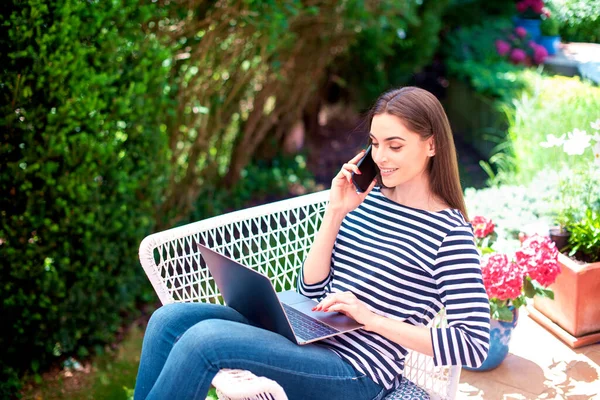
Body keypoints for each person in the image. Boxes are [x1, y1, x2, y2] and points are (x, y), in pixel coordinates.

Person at [134, 86, 491, 400]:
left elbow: (473, 345)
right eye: (375, 143)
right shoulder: (369, 199)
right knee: (170, 318)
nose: (380, 157)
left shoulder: (449, 235)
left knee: (205, 342)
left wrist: (371, 318)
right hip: (308, 335)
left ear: (432, 145)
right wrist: (335, 212)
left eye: (395, 146)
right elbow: (311, 287)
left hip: (355, 371)